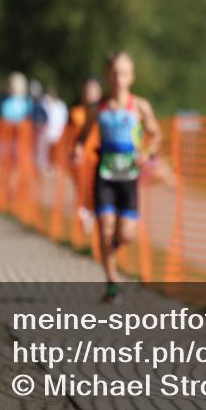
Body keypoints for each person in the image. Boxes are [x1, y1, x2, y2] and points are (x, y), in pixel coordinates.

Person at [74, 52, 162, 304]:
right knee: (104, 230)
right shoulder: (97, 108)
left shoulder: (140, 106)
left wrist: (146, 153)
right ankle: (112, 283)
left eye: (123, 73)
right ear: (107, 75)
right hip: (104, 175)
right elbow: (83, 135)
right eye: (114, 72)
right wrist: (78, 148)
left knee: (126, 235)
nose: (118, 78)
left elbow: (156, 135)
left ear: (131, 77)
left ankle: (113, 246)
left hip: (129, 177)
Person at [66, 77, 103, 236]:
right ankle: (82, 228)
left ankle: (93, 223)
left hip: (98, 160)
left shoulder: (104, 113)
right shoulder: (75, 113)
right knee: (82, 193)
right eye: (87, 90)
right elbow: (68, 137)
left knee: (97, 194)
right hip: (80, 161)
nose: (90, 94)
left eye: (93, 90)